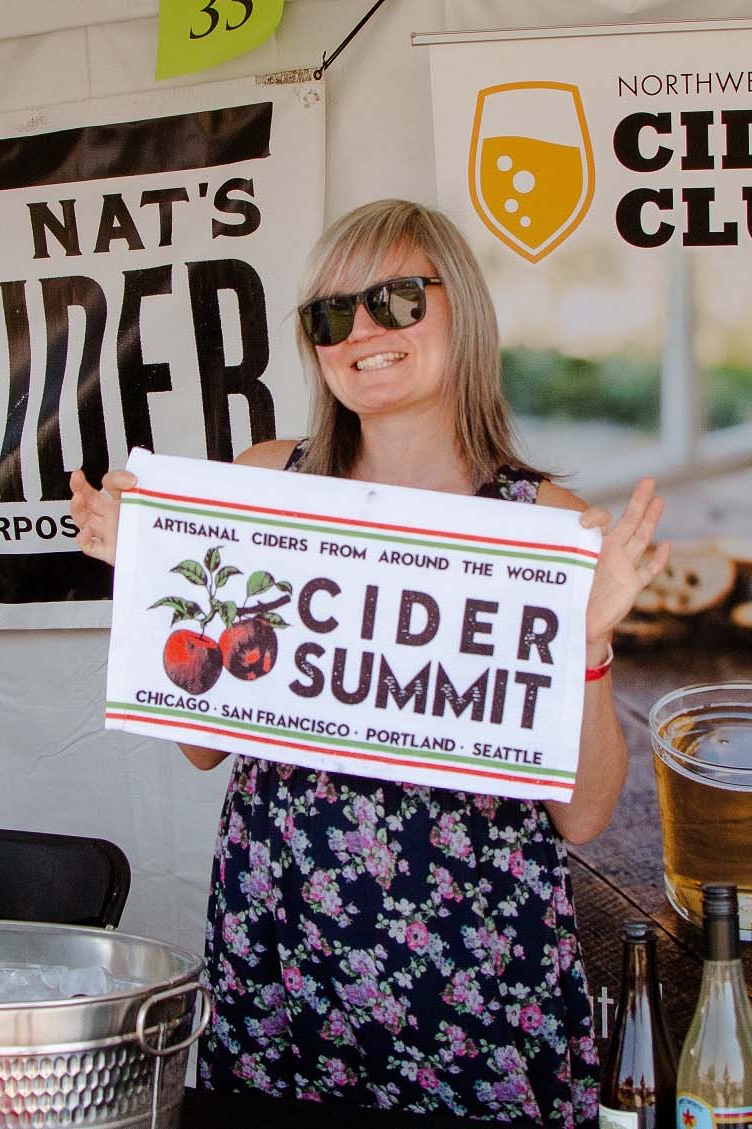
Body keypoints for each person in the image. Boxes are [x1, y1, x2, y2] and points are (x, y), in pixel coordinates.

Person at [68, 200, 669, 1127]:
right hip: (282, 966)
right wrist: (146, 580)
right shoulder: (267, 483)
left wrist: (585, 643)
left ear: (460, 307)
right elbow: (202, 748)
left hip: (475, 987)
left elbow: (585, 814)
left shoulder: (546, 523)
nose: (363, 334)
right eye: (330, 316)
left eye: (394, 299)